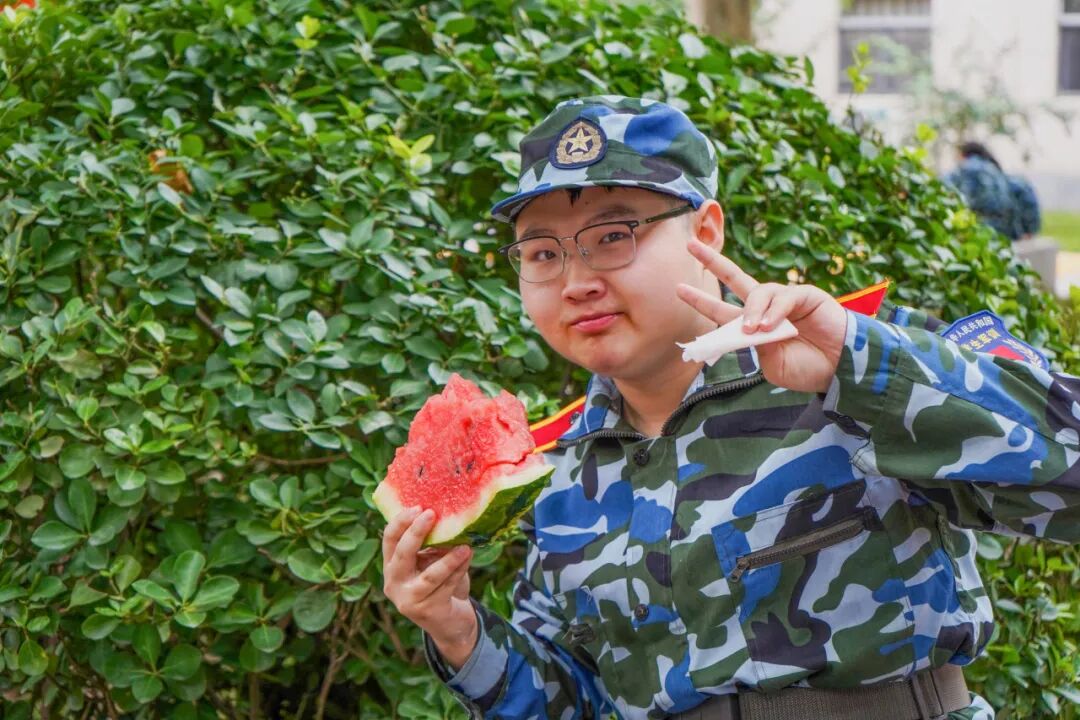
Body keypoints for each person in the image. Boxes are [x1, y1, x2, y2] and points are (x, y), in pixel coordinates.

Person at [380, 97, 1080, 720]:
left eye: (613, 235)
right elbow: (579, 700)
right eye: (542, 253)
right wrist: (459, 632)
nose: (576, 281)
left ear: (706, 231)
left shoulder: (848, 361)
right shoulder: (560, 471)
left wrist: (860, 361)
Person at [944, 141, 1041, 240]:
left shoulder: (964, 169)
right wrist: (1030, 229)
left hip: (975, 230)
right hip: (1005, 232)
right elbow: (1026, 197)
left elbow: (943, 187)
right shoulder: (995, 171)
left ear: (963, 154)